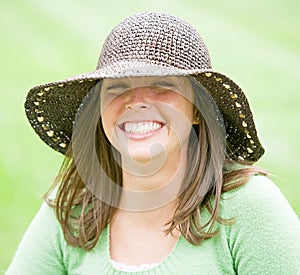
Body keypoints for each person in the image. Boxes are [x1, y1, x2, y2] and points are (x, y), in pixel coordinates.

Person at [7, 12, 300, 274]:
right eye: (118, 87)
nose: (137, 102)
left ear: (198, 109)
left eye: (162, 85)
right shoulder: (75, 206)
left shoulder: (248, 206)